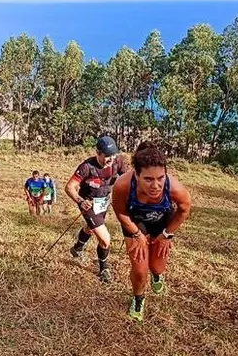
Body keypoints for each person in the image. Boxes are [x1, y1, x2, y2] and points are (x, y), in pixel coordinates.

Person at [111, 141, 192, 321]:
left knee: (157, 266)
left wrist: (167, 235)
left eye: (160, 178)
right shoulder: (123, 185)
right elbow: (120, 212)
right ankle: (138, 298)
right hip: (136, 222)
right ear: (136, 174)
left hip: (162, 222)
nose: (156, 185)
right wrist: (136, 234)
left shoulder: (174, 187)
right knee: (140, 270)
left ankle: (157, 276)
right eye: (148, 179)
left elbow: (185, 209)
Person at [65, 135, 128, 282]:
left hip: (103, 202)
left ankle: (77, 248)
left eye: (113, 155)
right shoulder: (87, 167)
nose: (111, 159)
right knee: (105, 239)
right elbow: (69, 187)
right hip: (88, 204)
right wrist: (80, 201)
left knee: (91, 228)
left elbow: (127, 178)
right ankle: (104, 269)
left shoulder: (117, 162)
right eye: (107, 156)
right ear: (98, 153)